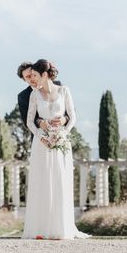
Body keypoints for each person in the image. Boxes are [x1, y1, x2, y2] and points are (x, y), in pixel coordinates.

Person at [22, 59, 89, 240]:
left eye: (35, 75)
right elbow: (29, 121)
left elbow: (72, 116)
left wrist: (63, 132)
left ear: (44, 75)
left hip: (61, 141)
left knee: (60, 180)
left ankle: (60, 227)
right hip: (41, 143)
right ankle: (41, 228)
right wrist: (42, 137)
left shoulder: (64, 91)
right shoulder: (34, 95)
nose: (32, 79)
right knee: (42, 181)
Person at [16, 62, 66, 130]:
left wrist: (65, 119)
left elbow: (70, 111)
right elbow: (26, 121)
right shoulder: (23, 96)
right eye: (28, 77)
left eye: (33, 74)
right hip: (39, 136)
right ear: (24, 80)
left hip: (61, 133)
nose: (32, 78)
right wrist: (39, 122)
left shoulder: (58, 85)